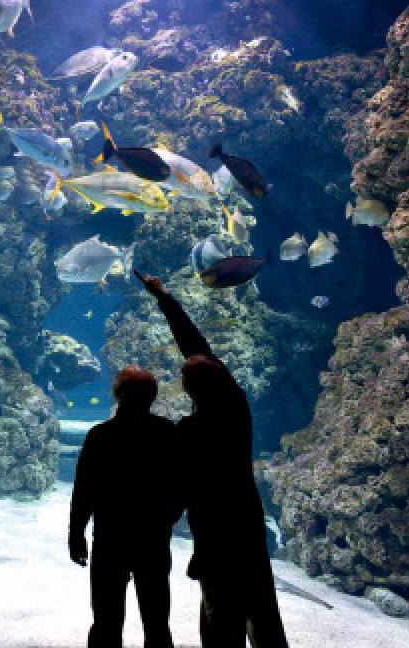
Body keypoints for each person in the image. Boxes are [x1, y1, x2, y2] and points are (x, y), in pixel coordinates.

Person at [134, 268, 290, 648]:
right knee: (263, 610)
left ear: (189, 391)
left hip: (214, 534)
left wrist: (156, 525)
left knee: (220, 617)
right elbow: (198, 349)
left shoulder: (188, 432)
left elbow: (178, 490)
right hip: (248, 524)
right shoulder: (237, 410)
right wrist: (166, 300)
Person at [69, 364, 184, 648]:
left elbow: (83, 491)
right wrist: (170, 516)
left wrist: (76, 533)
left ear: (117, 394)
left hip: (110, 539)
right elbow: (181, 483)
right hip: (153, 539)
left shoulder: (99, 436)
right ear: (152, 397)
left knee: (106, 623)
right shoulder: (166, 432)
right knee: (157, 623)